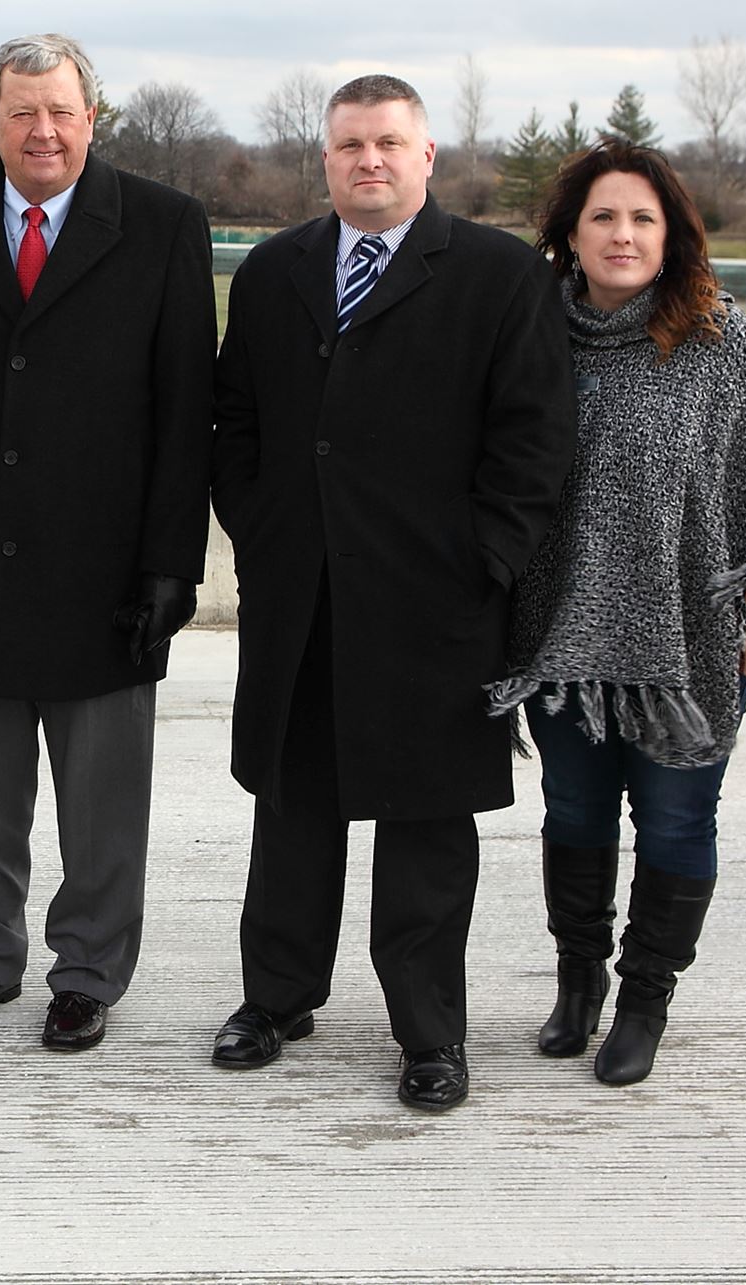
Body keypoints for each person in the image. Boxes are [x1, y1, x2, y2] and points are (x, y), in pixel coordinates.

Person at [208, 72, 573, 1111]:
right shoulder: (275, 271)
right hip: (303, 595)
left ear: (426, 157)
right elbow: (233, 419)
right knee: (292, 809)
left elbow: (533, 444)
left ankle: (427, 1034)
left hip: (434, 604)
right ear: (323, 159)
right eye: (347, 144)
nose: (367, 159)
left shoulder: (500, 277)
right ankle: (274, 998)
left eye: (386, 143)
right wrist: (262, 529)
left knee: (422, 830)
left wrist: (480, 562)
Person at [0, 34, 215, 1051]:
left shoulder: (160, 225)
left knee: (101, 804)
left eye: (61, 111)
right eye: (21, 111)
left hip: (106, 571)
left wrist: (171, 562)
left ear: (90, 117)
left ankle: (86, 971)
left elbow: (183, 406)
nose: (42, 131)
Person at [488, 139, 746, 1086]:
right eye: (603, 215)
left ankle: (645, 998)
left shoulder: (722, 337)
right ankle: (578, 981)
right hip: (561, 641)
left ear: (672, 231)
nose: (623, 233)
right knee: (574, 812)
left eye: (643, 216)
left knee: (677, 824)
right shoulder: (532, 333)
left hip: (691, 637)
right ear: (570, 232)